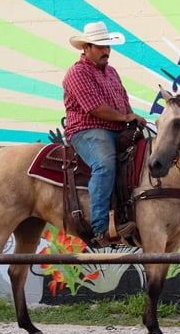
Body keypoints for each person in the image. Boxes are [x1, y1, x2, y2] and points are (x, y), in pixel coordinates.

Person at [63, 22, 146, 247]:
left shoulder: (111, 73)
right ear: (86, 47)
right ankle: (100, 228)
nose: (106, 51)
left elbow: (123, 102)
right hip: (87, 130)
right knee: (105, 164)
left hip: (116, 128)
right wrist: (124, 118)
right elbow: (95, 108)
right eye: (100, 46)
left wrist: (132, 116)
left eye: (107, 46)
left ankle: (127, 214)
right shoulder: (77, 73)